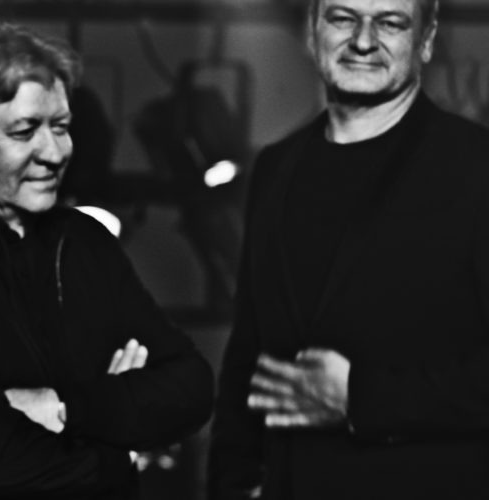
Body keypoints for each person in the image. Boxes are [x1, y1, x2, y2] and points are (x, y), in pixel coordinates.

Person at [0, 22, 214, 499]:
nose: (54, 152)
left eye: (61, 127)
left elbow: (192, 386)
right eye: (25, 130)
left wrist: (67, 406)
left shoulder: (85, 241)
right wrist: (122, 447)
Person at [207, 0, 489, 497]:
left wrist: (363, 398)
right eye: (342, 18)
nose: (362, 40)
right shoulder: (275, 168)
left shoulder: (476, 166)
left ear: (425, 40)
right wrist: (232, 486)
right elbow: (248, 356)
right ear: (311, 29)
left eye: (391, 23)